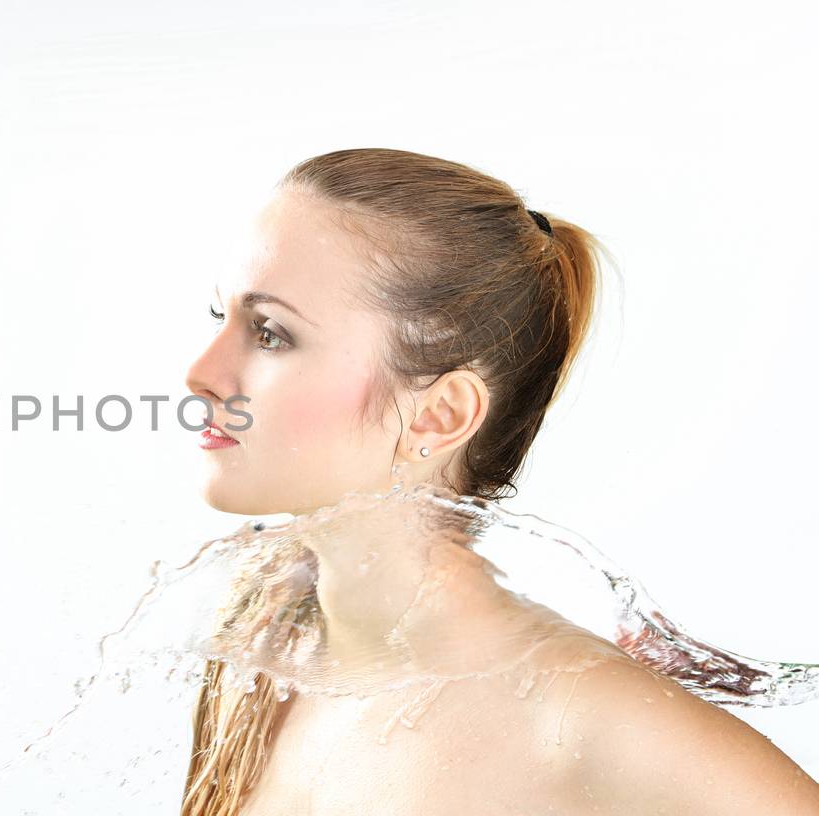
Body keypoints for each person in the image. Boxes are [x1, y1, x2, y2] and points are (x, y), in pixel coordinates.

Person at [179, 148, 819, 815]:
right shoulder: (264, 642)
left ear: (438, 414)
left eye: (270, 333)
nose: (201, 370)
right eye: (218, 317)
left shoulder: (586, 724)